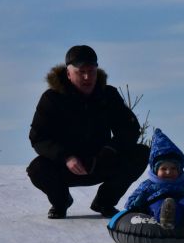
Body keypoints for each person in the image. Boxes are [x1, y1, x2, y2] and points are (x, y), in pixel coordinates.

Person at [27, 45, 149, 219]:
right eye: (81, 72)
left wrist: (110, 149)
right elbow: (38, 138)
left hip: (101, 162)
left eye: (91, 71)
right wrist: (66, 157)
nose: (87, 77)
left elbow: (129, 129)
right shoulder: (51, 99)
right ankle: (60, 202)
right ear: (68, 74)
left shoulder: (108, 95)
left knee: (141, 153)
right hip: (66, 167)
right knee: (37, 168)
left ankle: (104, 202)